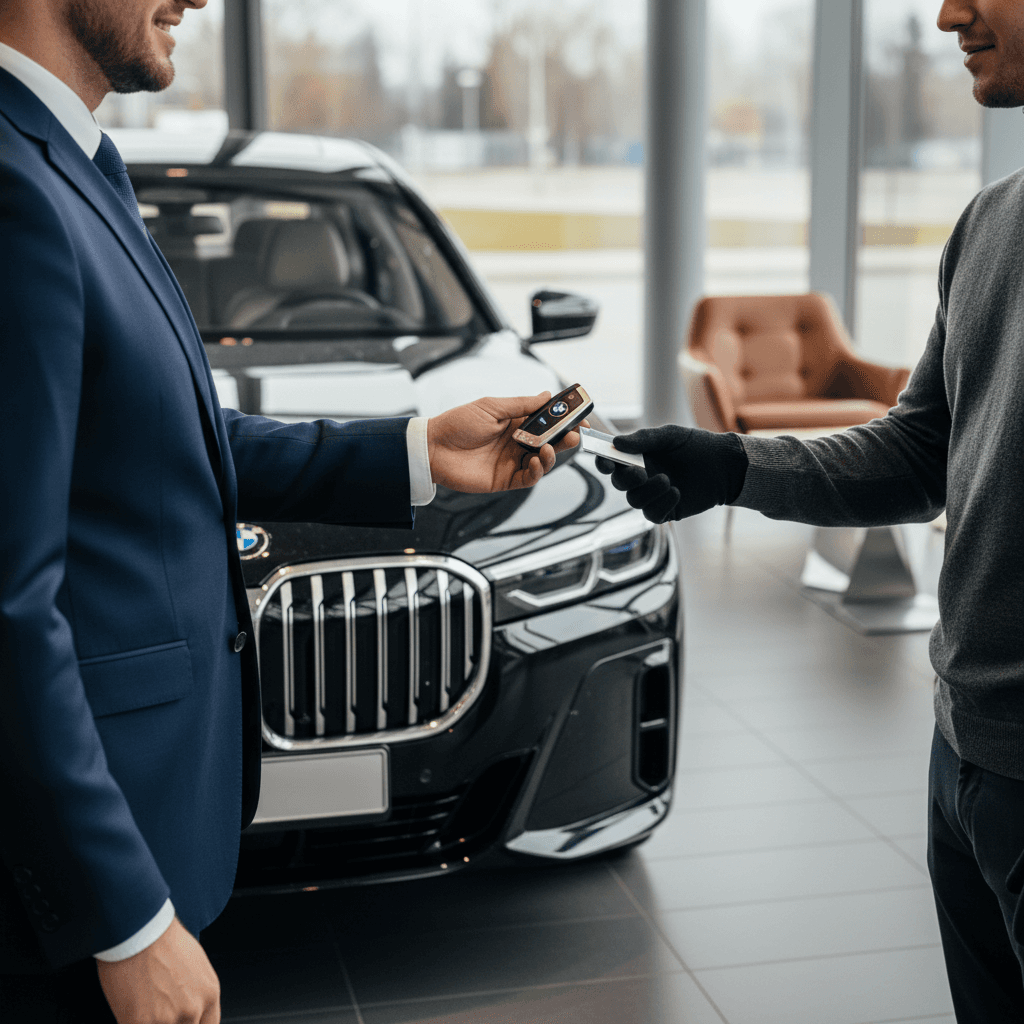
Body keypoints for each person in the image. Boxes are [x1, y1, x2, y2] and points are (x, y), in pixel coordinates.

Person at [0, 1, 583, 1021]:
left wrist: (417, 451)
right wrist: (125, 917)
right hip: (76, 896)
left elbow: (167, 440)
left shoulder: (74, 160)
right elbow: (8, 604)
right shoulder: (13, 188)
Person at [599, 2, 1024, 1020]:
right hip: (966, 755)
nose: (945, 15)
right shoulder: (990, 221)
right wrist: (732, 465)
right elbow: (920, 450)